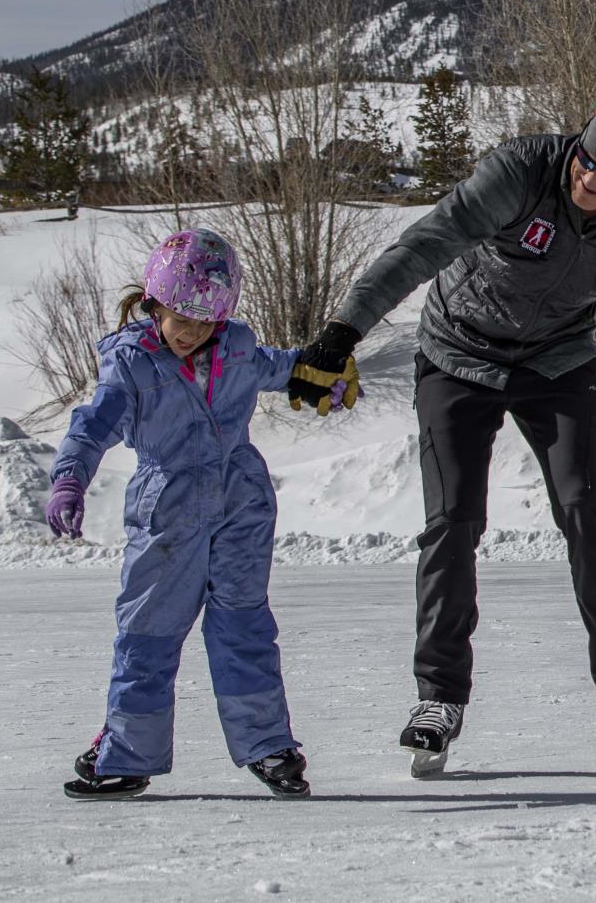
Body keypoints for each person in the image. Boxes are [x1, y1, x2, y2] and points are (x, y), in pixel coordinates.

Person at [292, 92, 596, 776]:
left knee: (587, 509)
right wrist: (345, 330)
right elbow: (427, 242)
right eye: (585, 159)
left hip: (556, 362)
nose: (588, 177)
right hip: (457, 353)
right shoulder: (520, 171)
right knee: (452, 520)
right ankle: (439, 696)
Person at [47, 228, 361, 800]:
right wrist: (70, 476)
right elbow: (94, 424)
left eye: (205, 321)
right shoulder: (131, 363)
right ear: (154, 304)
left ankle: (269, 747)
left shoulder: (235, 348)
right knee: (148, 632)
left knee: (244, 624)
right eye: (180, 317)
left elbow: (288, 367)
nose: (191, 332)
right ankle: (128, 752)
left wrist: (327, 374)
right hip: (167, 507)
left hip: (241, 502)